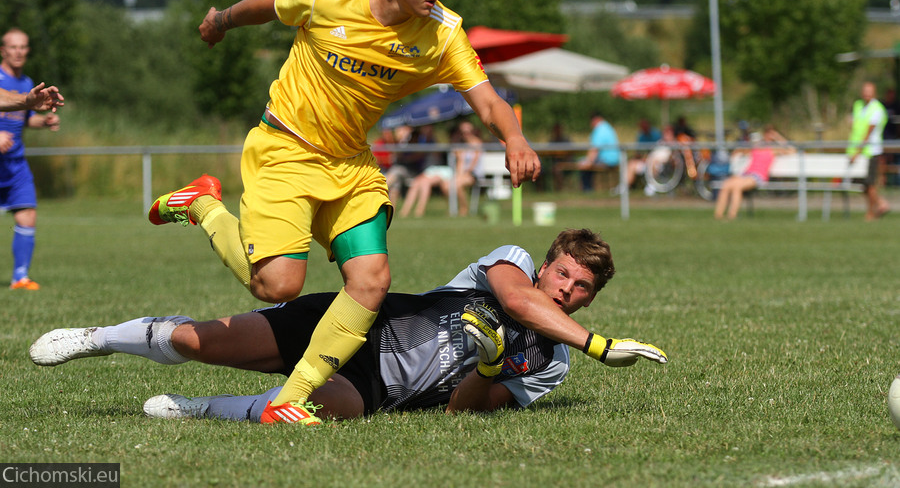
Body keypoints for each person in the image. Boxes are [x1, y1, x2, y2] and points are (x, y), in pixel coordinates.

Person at [145, 0, 541, 424]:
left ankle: (292, 397)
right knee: (277, 288)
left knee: (372, 280)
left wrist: (514, 138)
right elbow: (270, 5)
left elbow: (487, 100)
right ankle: (200, 204)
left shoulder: (442, 34)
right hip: (285, 149)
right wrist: (221, 20)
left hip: (351, 165)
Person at [29, 228, 667, 422]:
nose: (566, 287)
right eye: (564, 273)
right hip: (355, 322)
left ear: (589, 297)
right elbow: (520, 300)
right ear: (549, 262)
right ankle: (96, 338)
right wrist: (599, 346)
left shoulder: (549, 367)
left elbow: (463, 413)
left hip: (377, 389)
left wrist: (492, 365)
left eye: (581, 287)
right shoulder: (515, 266)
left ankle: (197, 411)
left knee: (322, 410)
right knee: (203, 340)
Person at [0, 28, 65, 291]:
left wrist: (44, 120)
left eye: (23, 47)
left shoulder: (27, 83)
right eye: (12, 47)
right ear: (3, 50)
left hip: (15, 163)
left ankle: (20, 278)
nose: (18, 51)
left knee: (27, 214)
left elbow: (24, 119)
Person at [399, 120, 482, 217]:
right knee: (445, 185)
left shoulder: (476, 143)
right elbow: (460, 162)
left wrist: (463, 173)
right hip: (459, 173)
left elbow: (474, 163)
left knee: (455, 185)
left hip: (473, 174)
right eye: (463, 132)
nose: (465, 134)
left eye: (468, 132)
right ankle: (452, 209)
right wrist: (459, 173)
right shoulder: (459, 144)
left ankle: (464, 208)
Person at [713, 126, 792, 220]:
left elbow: (791, 150)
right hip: (747, 174)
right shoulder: (756, 148)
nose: (768, 137)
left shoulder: (773, 150)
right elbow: (740, 151)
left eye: (771, 135)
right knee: (726, 185)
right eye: (767, 134)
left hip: (758, 176)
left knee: (737, 187)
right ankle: (718, 215)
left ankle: (732, 215)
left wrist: (778, 137)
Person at [847, 81, 890, 220]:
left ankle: (871, 212)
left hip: (870, 151)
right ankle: (881, 203)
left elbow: (868, 134)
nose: (866, 94)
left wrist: (857, 152)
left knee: (869, 183)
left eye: (869, 91)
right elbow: (855, 127)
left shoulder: (877, 109)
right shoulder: (858, 105)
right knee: (862, 185)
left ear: (874, 93)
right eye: (865, 90)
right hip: (856, 150)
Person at [577, 112, 619, 192]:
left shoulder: (600, 129)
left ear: (595, 120)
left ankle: (587, 190)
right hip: (614, 159)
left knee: (583, 164)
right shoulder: (607, 127)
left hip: (607, 160)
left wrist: (588, 162)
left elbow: (594, 150)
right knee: (585, 163)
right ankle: (588, 189)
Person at [622, 119, 662, 193]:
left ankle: (651, 186)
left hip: (655, 161)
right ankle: (625, 187)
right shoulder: (641, 136)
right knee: (630, 164)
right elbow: (638, 152)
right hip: (643, 161)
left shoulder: (656, 135)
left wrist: (647, 157)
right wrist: (640, 157)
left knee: (653, 162)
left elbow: (656, 152)